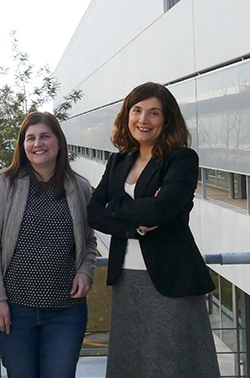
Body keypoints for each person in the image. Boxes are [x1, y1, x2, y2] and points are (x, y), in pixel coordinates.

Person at [87, 82, 220, 377]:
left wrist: (116, 205)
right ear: (127, 115)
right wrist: (139, 228)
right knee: (132, 363)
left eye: (154, 113)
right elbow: (94, 213)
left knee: (172, 364)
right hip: (127, 279)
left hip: (171, 279)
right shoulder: (119, 160)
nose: (143, 120)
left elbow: (162, 210)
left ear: (167, 119)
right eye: (137, 110)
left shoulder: (181, 159)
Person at [0, 111, 97, 378]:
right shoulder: (6, 186)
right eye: (30, 138)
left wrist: (85, 270)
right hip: (14, 310)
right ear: (22, 146)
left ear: (58, 141)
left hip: (67, 312)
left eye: (45, 136)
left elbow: (89, 241)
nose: (38, 144)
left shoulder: (80, 188)